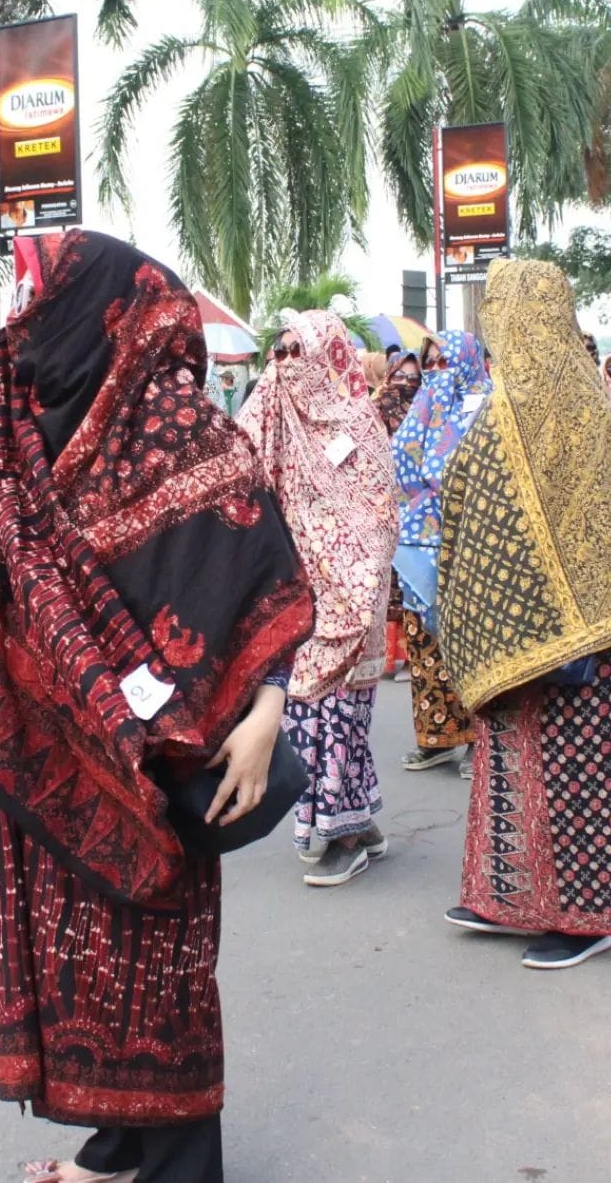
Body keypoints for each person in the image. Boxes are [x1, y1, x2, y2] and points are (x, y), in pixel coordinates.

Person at [0, 230, 314, 1183]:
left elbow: (264, 575)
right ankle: (115, 1146)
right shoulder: (14, 424)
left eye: (43, 296)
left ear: (99, 310)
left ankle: (176, 1161)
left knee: (160, 971)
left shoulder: (179, 426)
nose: (27, 318)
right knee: (75, 965)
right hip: (50, 760)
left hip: (164, 772)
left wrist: (267, 713)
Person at [437, 259, 611, 969]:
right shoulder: (583, 397)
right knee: (518, 767)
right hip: (552, 633)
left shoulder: (536, 405)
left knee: (584, 777)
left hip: (587, 644)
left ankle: (589, 919)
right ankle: (511, 899)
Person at [238, 311, 399, 886]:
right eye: (277, 353)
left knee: (336, 712)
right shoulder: (270, 405)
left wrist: (350, 577)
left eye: (295, 352)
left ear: (327, 355)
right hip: (298, 592)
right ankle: (354, 821)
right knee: (312, 711)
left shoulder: (357, 419)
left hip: (350, 591)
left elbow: (379, 509)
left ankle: (338, 832)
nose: (284, 365)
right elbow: (233, 467)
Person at [392, 331, 491, 777]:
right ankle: (437, 737)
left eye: (443, 363)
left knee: (468, 645)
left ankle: (478, 741)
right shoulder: (422, 409)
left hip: (468, 546)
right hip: (418, 543)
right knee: (424, 644)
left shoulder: (486, 407)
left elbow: (452, 472)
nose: (434, 373)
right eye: (429, 364)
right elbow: (401, 466)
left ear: (467, 362)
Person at [372, 350, 422, 677]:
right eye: (400, 377)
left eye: (413, 379)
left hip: (417, 506)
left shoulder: (424, 409)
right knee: (386, 581)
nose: (405, 384)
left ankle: (407, 656)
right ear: (390, 376)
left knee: (409, 581)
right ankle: (386, 658)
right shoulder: (377, 408)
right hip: (385, 502)